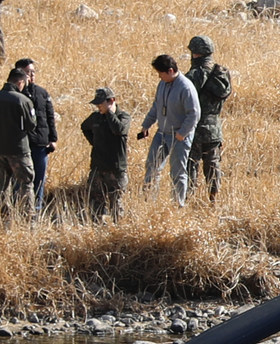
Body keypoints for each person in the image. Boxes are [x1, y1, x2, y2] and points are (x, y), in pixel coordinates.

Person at [137, 54, 201, 205]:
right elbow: (156, 106)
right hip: (161, 133)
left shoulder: (186, 87)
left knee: (177, 172)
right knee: (152, 167)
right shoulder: (162, 84)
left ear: (170, 71)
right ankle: (149, 201)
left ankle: (177, 205)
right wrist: (146, 125)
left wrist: (182, 133)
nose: (159, 76)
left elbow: (194, 114)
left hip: (179, 136)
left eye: (161, 73)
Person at [184, 36, 233, 201]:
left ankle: (188, 198)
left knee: (190, 164)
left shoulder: (194, 75)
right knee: (213, 164)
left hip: (194, 126)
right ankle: (214, 198)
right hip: (214, 127)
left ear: (196, 54)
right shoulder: (222, 73)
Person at [0, 67, 36, 225]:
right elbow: (31, 125)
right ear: (20, 82)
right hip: (18, 149)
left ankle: (5, 219)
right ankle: (28, 220)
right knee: (26, 184)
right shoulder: (22, 100)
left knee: (3, 186)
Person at [81, 87, 131, 221]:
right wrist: (95, 142)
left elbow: (118, 129)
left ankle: (118, 229)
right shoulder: (96, 117)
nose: (98, 106)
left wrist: (109, 113)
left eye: (100, 103)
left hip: (116, 169)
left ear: (111, 101)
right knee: (95, 202)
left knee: (116, 204)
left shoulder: (123, 117)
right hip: (98, 167)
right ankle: (97, 225)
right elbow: (84, 127)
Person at [16, 57, 57, 210]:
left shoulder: (42, 93)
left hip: (41, 143)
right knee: (20, 180)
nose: (31, 75)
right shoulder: (15, 93)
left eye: (33, 72)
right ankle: (19, 209)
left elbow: (50, 116)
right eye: (27, 72)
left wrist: (53, 139)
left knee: (39, 180)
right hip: (22, 145)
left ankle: (37, 209)